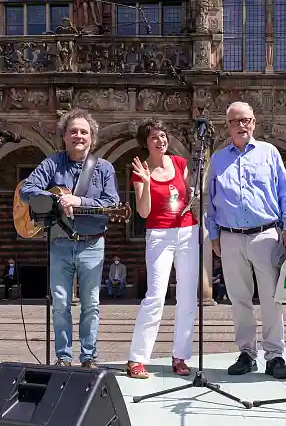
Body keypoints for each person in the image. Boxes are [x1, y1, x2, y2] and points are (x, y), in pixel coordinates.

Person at [19, 108, 120, 368]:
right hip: (60, 242)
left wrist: (79, 201)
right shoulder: (52, 164)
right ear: (64, 136)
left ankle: (88, 357)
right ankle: (63, 357)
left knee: (91, 304)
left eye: (84, 132)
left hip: (92, 243)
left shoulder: (104, 168)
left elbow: (112, 203)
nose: (78, 136)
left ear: (92, 138)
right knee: (60, 303)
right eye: (73, 131)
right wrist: (58, 198)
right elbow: (26, 190)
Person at [207, 102, 286, 379]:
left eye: (245, 120)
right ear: (228, 126)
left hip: (265, 234)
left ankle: (275, 356)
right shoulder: (217, 159)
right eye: (235, 121)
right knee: (239, 300)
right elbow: (210, 201)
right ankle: (247, 353)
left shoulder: (269, 152)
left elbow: (285, 191)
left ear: (254, 122)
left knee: (272, 299)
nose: (241, 125)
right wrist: (214, 235)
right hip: (230, 237)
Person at [125, 119, 201, 379]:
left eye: (163, 135)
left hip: (187, 231)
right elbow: (143, 211)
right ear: (145, 142)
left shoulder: (179, 163)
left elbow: (189, 195)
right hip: (159, 234)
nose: (161, 140)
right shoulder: (140, 170)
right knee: (155, 295)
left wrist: (196, 194)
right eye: (154, 137)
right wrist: (146, 183)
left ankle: (180, 356)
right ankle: (137, 358)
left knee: (187, 296)